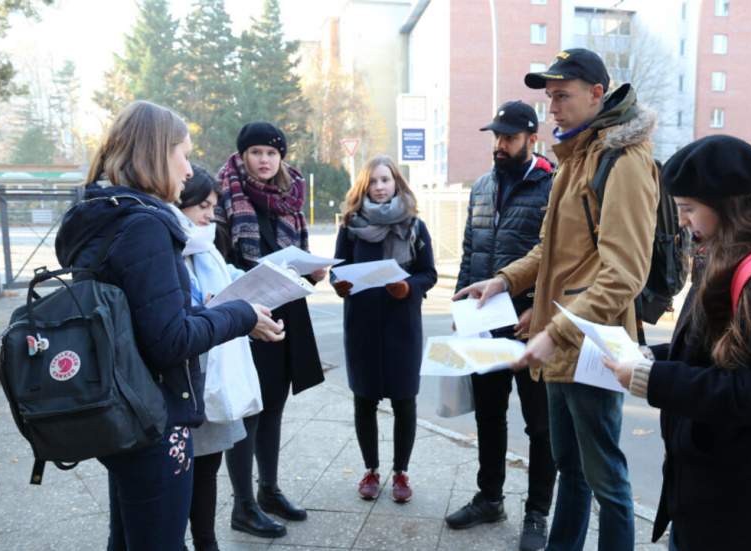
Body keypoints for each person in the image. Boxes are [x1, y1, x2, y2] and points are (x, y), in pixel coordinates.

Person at [54, 100, 285, 551]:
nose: (189, 167)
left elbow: (148, 321)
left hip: (120, 404)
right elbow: (170, 340)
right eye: (184, 151)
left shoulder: (106, 214)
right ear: (157, 152)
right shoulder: (144, 225)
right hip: (152, 417)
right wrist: (240, 315)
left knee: (126, 537)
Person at [454, 48, 659, 551]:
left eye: (562, 96)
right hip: (564, 342)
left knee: (607, 479)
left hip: (593, 344)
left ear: (597, 93)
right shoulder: (576, 157)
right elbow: (549, 249)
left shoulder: (623, 162)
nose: (553, 109)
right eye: (549, 98)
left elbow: (624, 275)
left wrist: (553, 332)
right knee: (571, 468)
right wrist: (502, 281)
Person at [604, 135, 751, 551]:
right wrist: (653, 357)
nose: (682, 221)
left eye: (688, 209)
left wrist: (654, 380)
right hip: (712, 482)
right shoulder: (721, 255)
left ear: (724, 206)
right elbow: (713, 350)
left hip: (748, 497)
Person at [445, 100, 556, 551]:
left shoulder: (550, 188)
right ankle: (490, 497)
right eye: (496, 137)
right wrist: (460, 315)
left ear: (531, 138)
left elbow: (556, 262)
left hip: (529, 326)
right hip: (484, 325)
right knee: (489, 416)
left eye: (508, 137)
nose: (500, 145)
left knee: (539, 426)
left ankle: (537, 513)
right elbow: (472, 251)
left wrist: (540, 312)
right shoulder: (483, 186)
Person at [216, 122, 325, 538]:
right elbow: (220, 262)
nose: (264, 160)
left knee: (274, 405)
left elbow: (298, 253)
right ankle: (242, 506)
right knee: (248, 409)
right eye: (256, 152)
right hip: (244, 318)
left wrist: (312, 274)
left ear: (282, 157)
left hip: (284, 314)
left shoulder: (290, 197)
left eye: (271, 153)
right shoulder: (227, 195)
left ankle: (268, 491)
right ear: (243, 155)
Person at [331, 155, 437, 504]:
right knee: (364, 399)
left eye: (385, 180)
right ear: (364, 186)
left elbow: (428, 273)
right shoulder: (350, 225)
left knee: (405, 400)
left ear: (397, 184)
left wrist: (409, 288)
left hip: (401, 324)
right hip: (361, 324)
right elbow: (338, 269)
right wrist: (339, 284)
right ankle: (371, 470)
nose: (379, 187)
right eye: (373, 181)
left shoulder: (415, 225)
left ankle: (401, 472)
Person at [172, 165, 259, 551]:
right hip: (181, 380)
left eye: (214, 206)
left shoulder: (206, 247)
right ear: (180, 202)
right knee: (177, 475)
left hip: (213, 374)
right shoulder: (164, 244)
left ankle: (206, 542)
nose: (211, 215)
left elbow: (228, 276)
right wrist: (204, 308)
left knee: (208, 468)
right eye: (203, 206)